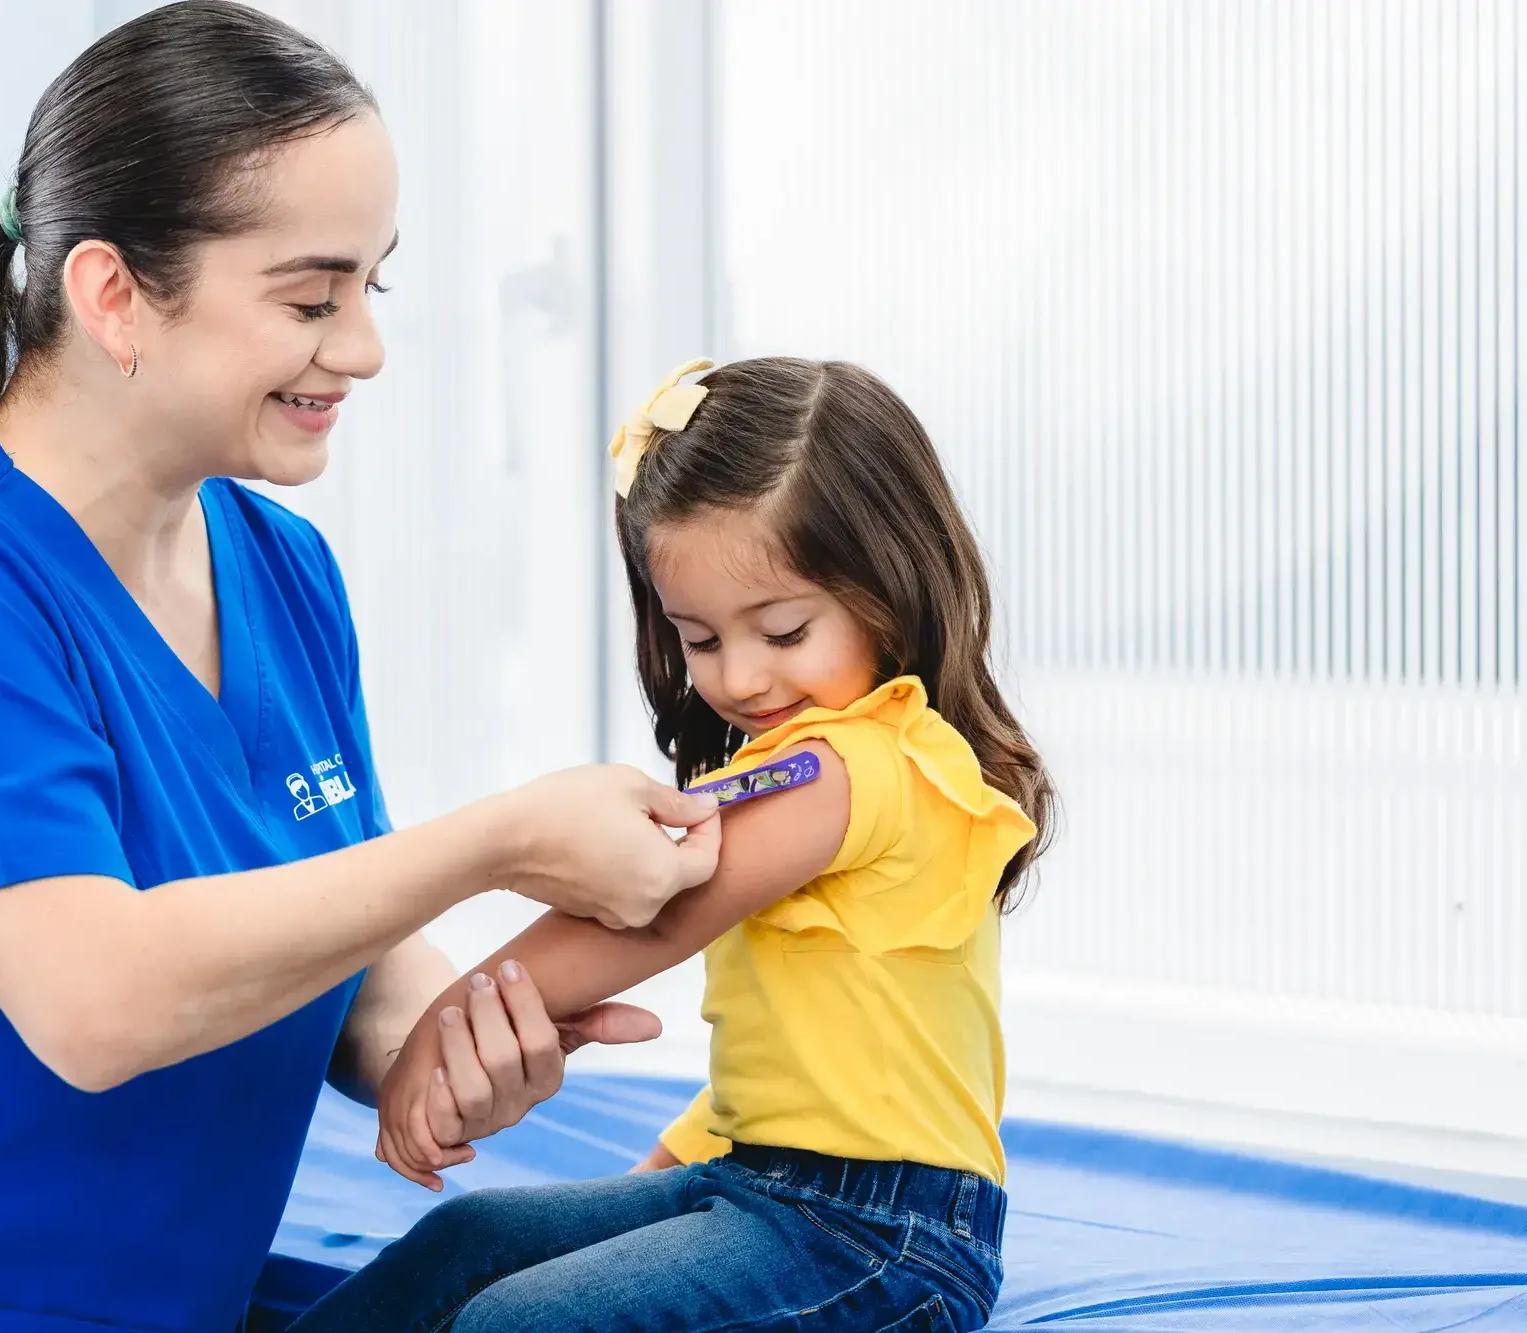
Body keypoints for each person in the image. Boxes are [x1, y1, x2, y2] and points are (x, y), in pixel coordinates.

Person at [0, 8, 720, 1333]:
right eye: (310, 298)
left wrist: (438, 1044)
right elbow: (101, 1001)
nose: (365, 348)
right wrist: (500, 841)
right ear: (113, 295)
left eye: (370, 289)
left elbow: (347, 943)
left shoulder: (283, 571)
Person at [287, 357, 1057, 1332]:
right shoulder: (808, 767)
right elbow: (802, 1075)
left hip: (884, 1238)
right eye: (698, 639)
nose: (738, 678)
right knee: (460, 1245)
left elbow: (645, 910)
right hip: (755, 1183)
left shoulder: (852, 764)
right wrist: (654, 1193)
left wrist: (442, 1032)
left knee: (518, 1323)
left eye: (781, 631)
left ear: (891, 583)